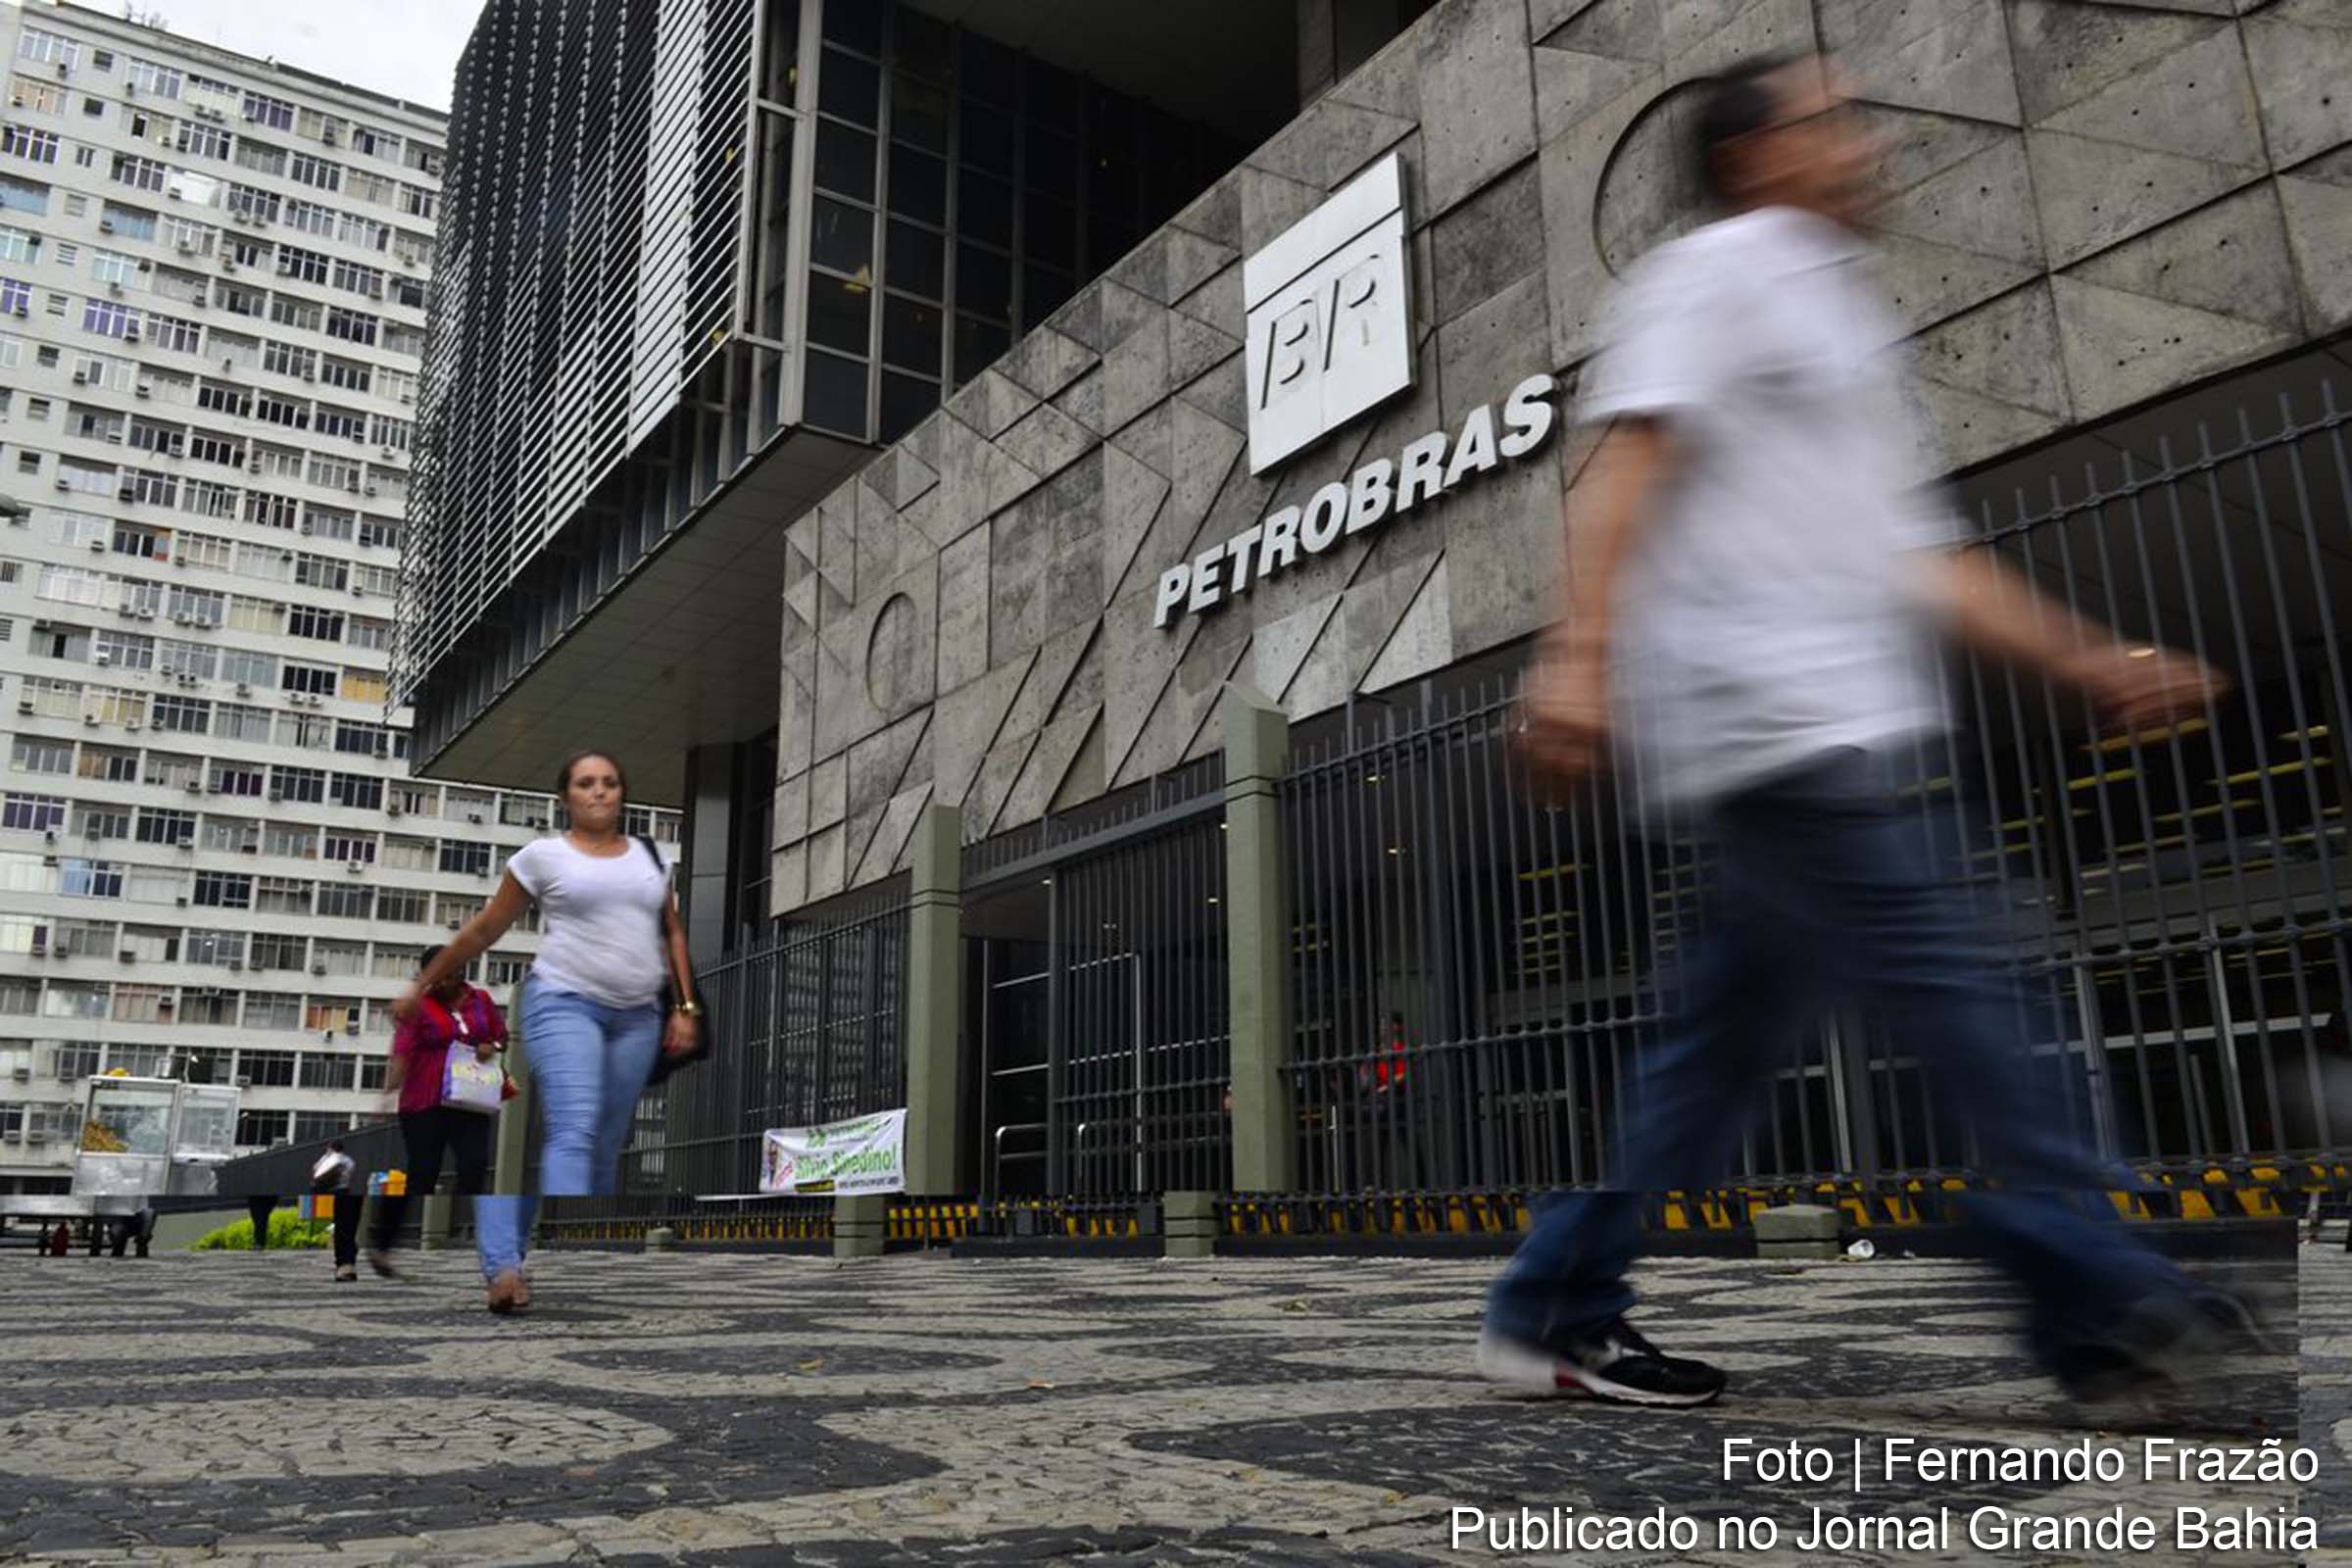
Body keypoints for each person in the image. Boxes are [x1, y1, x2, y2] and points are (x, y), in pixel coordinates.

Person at [1481, 53, 2248, 1411]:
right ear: (1755, 155)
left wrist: (2089, 659)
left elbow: (1914, 559)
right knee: (1976, 989)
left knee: (1705, 1065)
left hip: (1821, 726)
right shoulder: (1720, 271)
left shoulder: (1838, 319)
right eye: (1834, 119)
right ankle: (2101, 1296)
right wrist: (1579, 656)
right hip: (1777, 724)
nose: (1869, 141)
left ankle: (1555, 1304)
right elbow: (1625, 463)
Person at [392, 751, 701, 1314]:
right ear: (566, 798)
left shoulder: (650, 858)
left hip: (638, 1016)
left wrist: (684, 1006)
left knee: (605, 1147)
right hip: (564, 1003)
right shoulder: (542, 857)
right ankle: (507, 1264)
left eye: (610, 782)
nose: (600, 792)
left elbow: (672, 932)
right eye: (586, 784)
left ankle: (530, 1243)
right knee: (575, 1128)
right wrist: (423, 984)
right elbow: (485, 928)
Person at [368, 947, 506, 1281]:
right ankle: (383, 1243)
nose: (444, 980)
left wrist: (493, 1047)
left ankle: (477, 1241)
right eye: (435, 974)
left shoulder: (480, 999)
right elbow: (401, 1053)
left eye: (450, 971)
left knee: (474, 1167)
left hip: (469, 1099)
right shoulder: (418, 1006)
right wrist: (387, 1095)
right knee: (422, 1176)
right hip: (424, 1102)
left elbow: (500, 1036)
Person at [310, 1141, 363, 1283]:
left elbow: (316, 1170)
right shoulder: (349, 1160)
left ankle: (344, 1263)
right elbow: (351, 1172)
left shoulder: (327, 1159)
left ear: (330, 1148)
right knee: (349, 1219)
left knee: (341, 1219)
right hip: (344, 1189)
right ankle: (347, 1263)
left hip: (329, 1190)